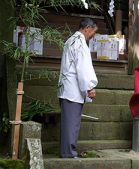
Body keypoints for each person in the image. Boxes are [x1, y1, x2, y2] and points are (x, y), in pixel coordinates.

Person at [57, 18, 98, 158]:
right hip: (72, 90)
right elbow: (83, 68)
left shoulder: (70, 40)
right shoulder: (80, 43)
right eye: (93, 32)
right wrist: (90, 87)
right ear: (87, 28)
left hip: (66, 88)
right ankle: (69, 153)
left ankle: (66, 151)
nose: (93, 35)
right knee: (72, 123)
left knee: (68, 123)